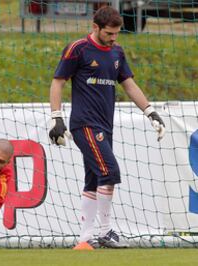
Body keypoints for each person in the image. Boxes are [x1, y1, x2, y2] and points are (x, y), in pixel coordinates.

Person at [48, 6, 165, 250]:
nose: (114, 38)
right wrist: (56, 117)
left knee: (94, 179)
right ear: (95, 27)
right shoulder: (78, 49)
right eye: (109, 33)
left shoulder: (117, 52)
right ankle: (105, 231)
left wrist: (150, 111)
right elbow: (58, 82)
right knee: (110, 171)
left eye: (116, 34)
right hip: (84, 124)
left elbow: (129, 84)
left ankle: (85, 238)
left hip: (105, 125)